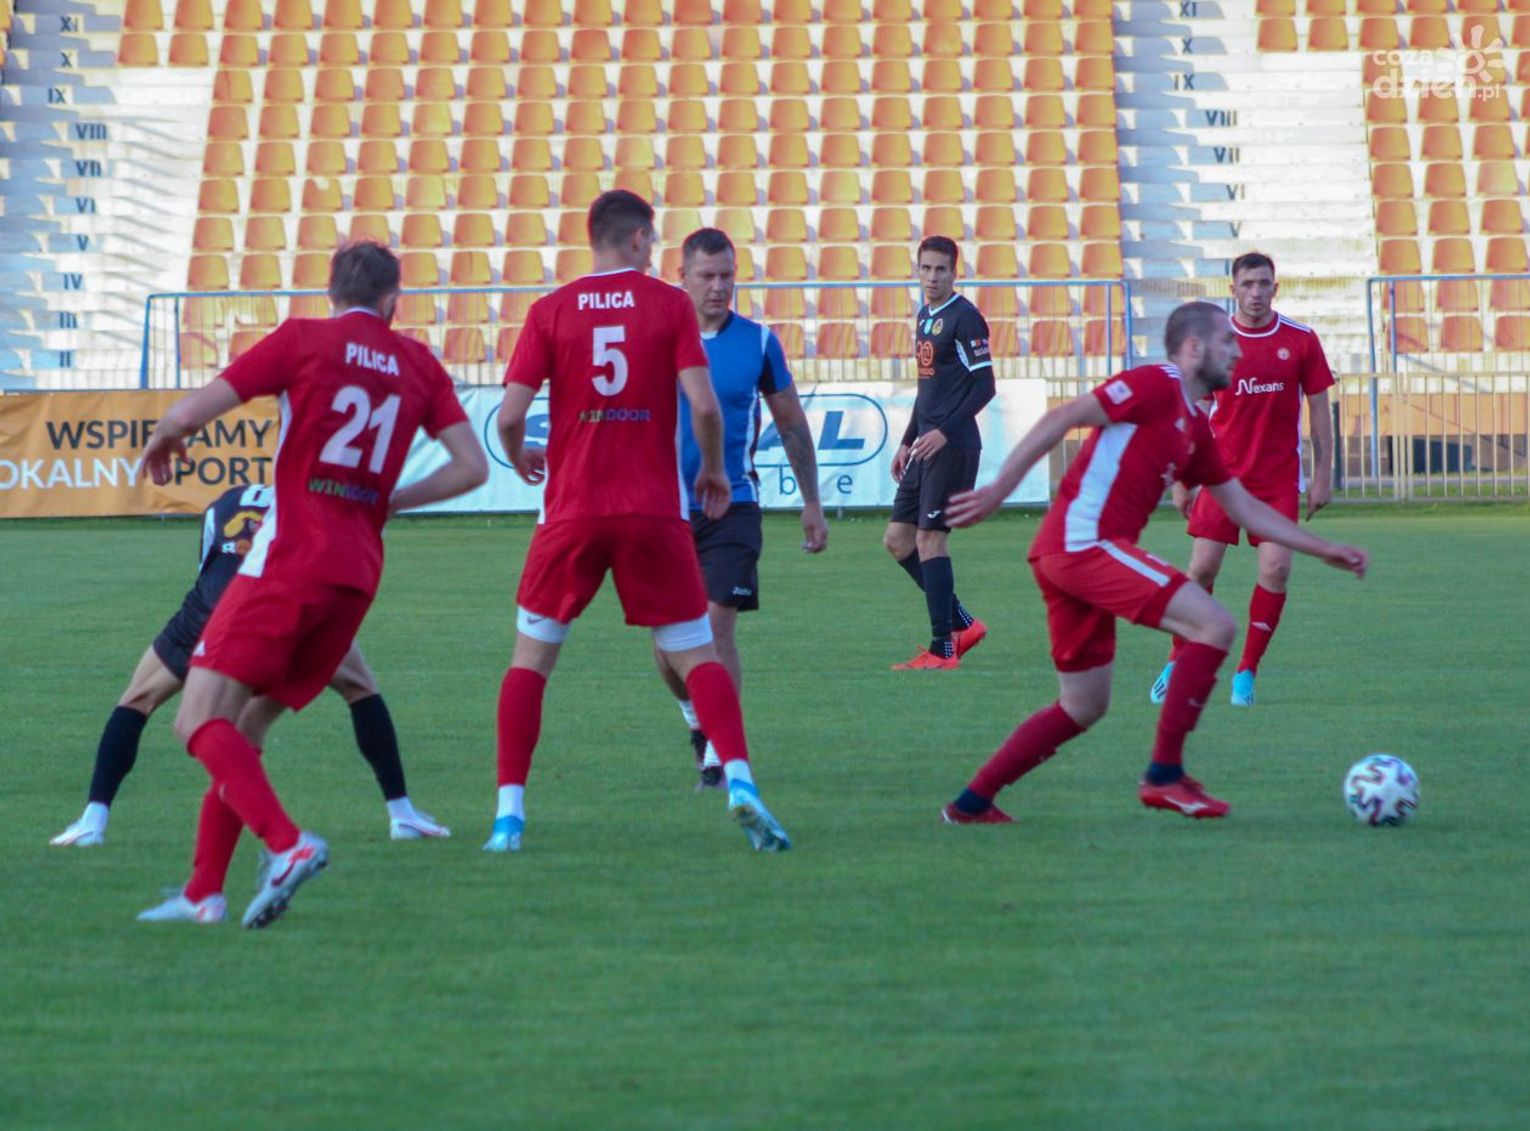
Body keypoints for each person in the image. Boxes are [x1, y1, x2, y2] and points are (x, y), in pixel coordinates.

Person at [134, 241, 488, 927]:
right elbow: (472, 467)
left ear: (331, 293)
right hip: (355, 577)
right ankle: (204, 891)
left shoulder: (304, 340)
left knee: (196, 719)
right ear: (393, 302)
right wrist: (393, 500)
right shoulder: (418, 363)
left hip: (289, 559)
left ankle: (287, 844)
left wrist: (164, 437)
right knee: (243, 730)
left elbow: (187, 414)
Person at [939, 302, 1367, 824]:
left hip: (1070, 554)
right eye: (1226, 343)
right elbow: (1063, 417)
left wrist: (1322, 548)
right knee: (1214, 624)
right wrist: (997, 491)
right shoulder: (1154, 383)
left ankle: (970, 804)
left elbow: (1244, 507)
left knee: (1083, 705)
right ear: (1193, 348)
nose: (1237, 353)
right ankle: (1165, 775)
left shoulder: (1196, 425)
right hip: (1083, 544)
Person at [489, 190, 791, 854]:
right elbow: (704, 407)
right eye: (651, 241)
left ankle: (508, 816)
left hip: (571, 509)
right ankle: (740, 780)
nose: (653, 251)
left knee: (530, 663)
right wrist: (714, 472)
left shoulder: (549, 310)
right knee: (699, 653)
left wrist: (519, 455)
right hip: (653, 509)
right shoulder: (668, 305)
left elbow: (510, 417)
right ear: (636, 240)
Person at [50, 483, 449, 849]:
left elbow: (206, 562)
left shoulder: (225, 500)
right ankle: (400, 814)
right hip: (278, 611)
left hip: (208, 611)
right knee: (356, 688)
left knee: (139, 699)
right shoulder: (308, 499)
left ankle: (93, 821)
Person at [655, 227, 828, 790]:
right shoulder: (653, 339)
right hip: (661, 511)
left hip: (733, 505)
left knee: (715, 625)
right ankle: (694, 716)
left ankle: (720, 752)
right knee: (668, 646)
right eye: (707, 276)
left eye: (727, 275)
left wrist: (811, 501)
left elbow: (791, 422)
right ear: (681, 277)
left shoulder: (758, 342)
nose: (718, 286)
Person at [1149, 252, 1335, 708]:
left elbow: (1318, 408)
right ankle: (1178, 658)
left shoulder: (1301, 340)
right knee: (1201, 570)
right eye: (1248, 284)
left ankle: (1246, 671)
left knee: (1276, 569)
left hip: (1277, 481)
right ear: (1232, 289)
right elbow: (1194, 411)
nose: (1256, 292)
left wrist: (1323, 475)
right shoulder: (1215, 343)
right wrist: (1183, 477)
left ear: (1276, 288)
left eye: (1264, 283)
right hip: (1221, 478)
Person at [883, 236, 995, 670]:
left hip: (953, 445)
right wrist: (906, 439)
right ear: (918, 271)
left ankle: (942, 648)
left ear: (954, 272)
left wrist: (944, 432)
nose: (932, 277)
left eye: (940, 269)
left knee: (931, 539)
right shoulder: (925, 315)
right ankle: (963, 623)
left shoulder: (965, 318)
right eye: (926, 268)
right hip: (925, 444)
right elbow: (928, 389)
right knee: (897, 541)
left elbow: (985, 386)